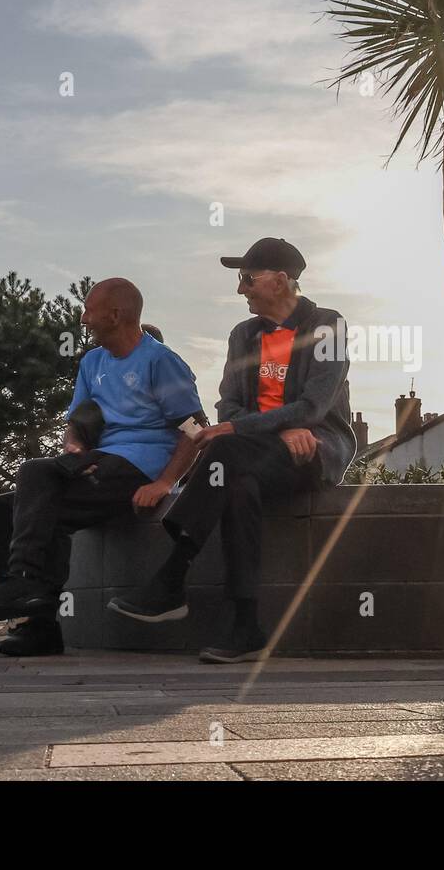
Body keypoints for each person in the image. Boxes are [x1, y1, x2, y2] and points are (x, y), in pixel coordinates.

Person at [108, 238, 355, 664]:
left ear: (279, 281)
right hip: (258, 451)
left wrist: (247, 428)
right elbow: (229, 404)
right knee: (238, 484)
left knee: (230, 448)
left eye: (247, 279)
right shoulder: (243, 335)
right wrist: (267, 430)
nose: (241, 289)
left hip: (314, 448)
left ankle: (172, 577)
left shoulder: (328, 326)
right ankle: (246, 625)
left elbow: (314, 405)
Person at [0, 278, 204, 656]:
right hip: (100, 460)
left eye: (90, 310)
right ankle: (35, 621)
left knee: (38, 484)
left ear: (116, 314)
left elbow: (195, 428)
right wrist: (75, 449)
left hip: (140, 466)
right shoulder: (92, 362)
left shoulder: (161, 360)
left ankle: (26, 587)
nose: (83, 318)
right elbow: (77, 422)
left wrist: (164, 482)